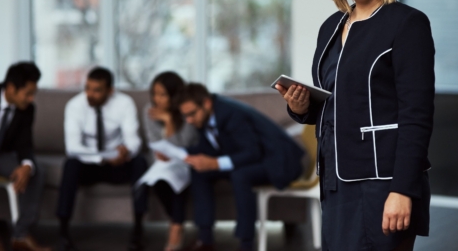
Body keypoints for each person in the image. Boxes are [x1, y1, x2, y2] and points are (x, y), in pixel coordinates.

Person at [275, 0, 435, 251]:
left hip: (383, 184)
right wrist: (302, 107)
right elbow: (340, 103)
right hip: (335, 182)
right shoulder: (331, 27)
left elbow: (416, 116)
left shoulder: (407, 24)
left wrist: (403, 190)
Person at [176, 83, 304, 251]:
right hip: (254, 157)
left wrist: (214, 163)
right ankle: (205, 240)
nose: (189, 120)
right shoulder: (204, 117)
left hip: (278, 161)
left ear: (206, 103)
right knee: (200, 170)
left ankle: (246, 244)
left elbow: (253, 152)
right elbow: (215, 147)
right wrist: (182, 153)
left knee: (240, 175)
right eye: (185, 116)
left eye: (191, 114)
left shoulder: (230, 114)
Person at [56, 67, 148, 251]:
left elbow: (134, 140)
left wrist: (125, 151)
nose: (90, 94)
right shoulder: (75, 106)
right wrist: (102, 158)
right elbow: (72, 147)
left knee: (140, 163)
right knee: (70, 164)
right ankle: (63, 230)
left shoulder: (124, 103)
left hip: (117, 165)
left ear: (110, 90)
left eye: (97, 90)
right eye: (87, 88)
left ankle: (138, 229)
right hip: (89, 165)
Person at [0, 62, 51, 251]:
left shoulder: (27, 109)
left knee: (36, 171)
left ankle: (20, 235)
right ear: (11, 88)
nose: (31, 98)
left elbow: (25, 144)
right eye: (27, 93)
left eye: (33, 93)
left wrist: (27, 164)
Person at [142, 71, 198, 251]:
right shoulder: (148, 111)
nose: (156, 99)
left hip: (189, 159)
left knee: (177, 179)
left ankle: (175, 227)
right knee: (161, 179)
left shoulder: (187, 109)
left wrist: (168, 122)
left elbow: (184, 145)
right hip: (162, 162)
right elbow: (153, 143)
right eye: (154, 94)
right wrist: (162, 153)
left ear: (174, 96)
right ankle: (177, 224)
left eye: (162, 94)